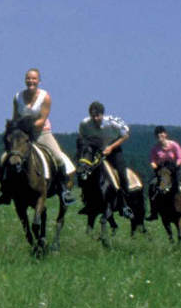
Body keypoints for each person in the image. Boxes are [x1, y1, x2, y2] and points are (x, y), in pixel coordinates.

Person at [11, 67, 75, 203]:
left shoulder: (45, 97)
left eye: (34, 78)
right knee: (7, 157)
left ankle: (64, 189)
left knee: (58, 157)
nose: (31, 81)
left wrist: (28, 127)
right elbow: (15, 116)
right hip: (23, 135)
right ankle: (6, 190)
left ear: (39, 81)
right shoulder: (18, 97)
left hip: (41, 133)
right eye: (28, 78)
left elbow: (42, 119)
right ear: (25, 80)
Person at [75, 101, 133, 218]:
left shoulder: (112, 122)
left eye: (98, 116)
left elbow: (126, 135)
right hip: (96, 150)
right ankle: (87, 201)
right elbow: (82, 136)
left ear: (102, 114)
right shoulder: (84, 124)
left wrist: (111, 147)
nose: (95, 118)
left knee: (121, 173)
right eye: (93, 116)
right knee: (83, 170)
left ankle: (125, 204)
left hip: (113, 149)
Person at [145, 126, 181, 220]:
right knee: (152, 185)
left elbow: (180, 157)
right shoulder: (155, 149)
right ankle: (154, 212)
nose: (159, 135)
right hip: (162, 171)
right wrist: (155, 167)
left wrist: (175, 166)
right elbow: (152, 160)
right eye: (157, 134)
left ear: (165, 134)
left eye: (161, 133)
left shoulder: (174, 145)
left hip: (175, 169)